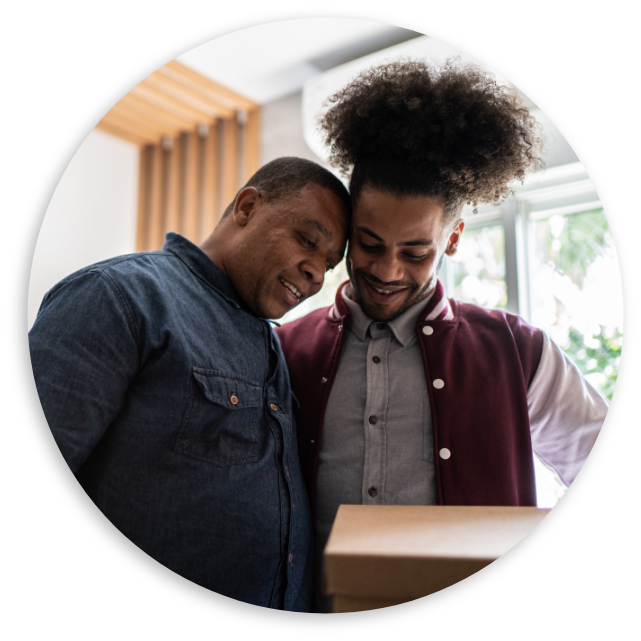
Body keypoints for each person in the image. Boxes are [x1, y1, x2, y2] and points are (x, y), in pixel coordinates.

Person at [274, 61, 608, 612]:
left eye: (415, 252)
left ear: (452, 238)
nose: (387, 270)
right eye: (370, 243)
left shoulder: (517, 351)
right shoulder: (286, 350)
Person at [29, 156, 351, 612]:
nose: (316, 273)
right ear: (246, 207)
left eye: (329, 263)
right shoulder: (119, 295)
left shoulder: (272, 341)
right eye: (307, 240)